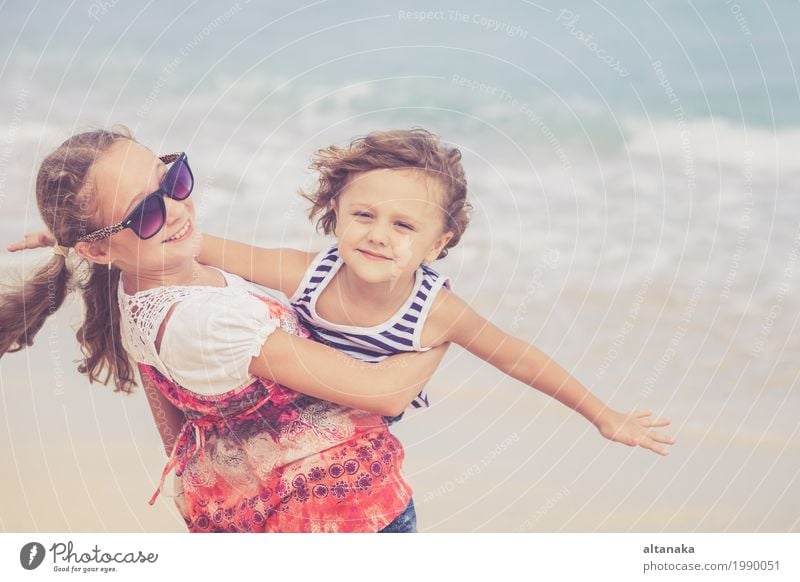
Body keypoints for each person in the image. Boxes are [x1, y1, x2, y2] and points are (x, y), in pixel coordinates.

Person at [1, 128, 448, 533]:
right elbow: (385, 393)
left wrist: (70, 240)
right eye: (145, 212)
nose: (176, 210)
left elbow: (174, 439)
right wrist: (441, 318)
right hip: (346, 519)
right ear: (98, 249)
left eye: (171, 180)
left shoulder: (139, 285)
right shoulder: (207, 322)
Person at [186, 128, 676, 454]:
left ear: (437, 244)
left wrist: (603, 415)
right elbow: (213, 248)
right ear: (336, 214)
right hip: (287, 426)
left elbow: (517, 356)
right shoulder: (309, 273)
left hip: (360, 448)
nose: (378, 235)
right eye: (363, 216)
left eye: (403, 225)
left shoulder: (434, 311)